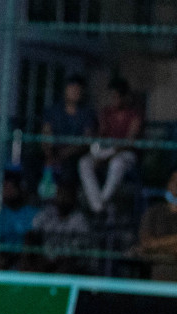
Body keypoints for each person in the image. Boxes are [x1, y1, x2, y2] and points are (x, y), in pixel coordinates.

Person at [78, 77, 143, 216]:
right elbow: (101, 135)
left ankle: (102, 202)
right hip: (106, 151)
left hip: (125, 154)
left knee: (117, 163)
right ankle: (98, 206)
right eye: (111, 96)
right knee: (84, 163)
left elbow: (129, 142)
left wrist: (110, 155)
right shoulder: (106, 113)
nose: (113, 100)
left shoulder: (134, 114)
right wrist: (97, 150)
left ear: (125, 97)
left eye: (116, 96)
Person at [25, 182, 93, 274]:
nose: (62, 199)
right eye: (59, 194)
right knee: (29, 240)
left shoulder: (79, 219)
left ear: (73, 198)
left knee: (68, 263)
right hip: (46, 259)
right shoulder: (48, 213)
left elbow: (76, 251)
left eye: (66, 196)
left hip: (69, 263)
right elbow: (33, 231)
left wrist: (55, 260)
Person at [40, 75, 97, 185]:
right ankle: (34, 196)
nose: (74, 92)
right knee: (31, 160)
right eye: (71, 88)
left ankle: (63, 199)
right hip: (53, 152)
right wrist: (49, 154)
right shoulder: (53, 111)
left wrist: (62, 155)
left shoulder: (87, 113)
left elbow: (86, 140)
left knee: (70, 168)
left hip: (73, 154)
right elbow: (46, 133)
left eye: (77, 89)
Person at [134, 171, 177, 282]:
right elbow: (146, 243)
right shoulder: (154, 212)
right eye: (173, 180)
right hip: (154, 277)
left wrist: (157, 246)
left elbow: (151, 246)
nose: (176, 184)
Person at [0, 173, 39, 268]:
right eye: (5, 188)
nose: (7, 192)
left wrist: (25, 257)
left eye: (11, 188)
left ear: (20, 189)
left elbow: (32, 237)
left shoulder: (32, 212)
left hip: (25, 257)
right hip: (3, 255)